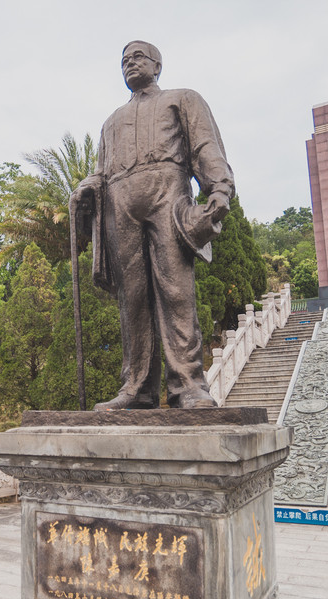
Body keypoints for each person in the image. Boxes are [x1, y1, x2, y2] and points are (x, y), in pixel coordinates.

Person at [70, 41, 234, 410]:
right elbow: (101, 172)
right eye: (124, 61)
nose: (130, 64)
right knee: (132, 299)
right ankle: (138, 387)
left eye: (138, 57)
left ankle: (188, 385)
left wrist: (220, 188)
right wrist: (87, 187)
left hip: (167, 193)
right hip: (121, 202)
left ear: (157, 66)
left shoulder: (183, 99)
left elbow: (204, 147)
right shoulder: (111, 122)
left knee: (176, 291)